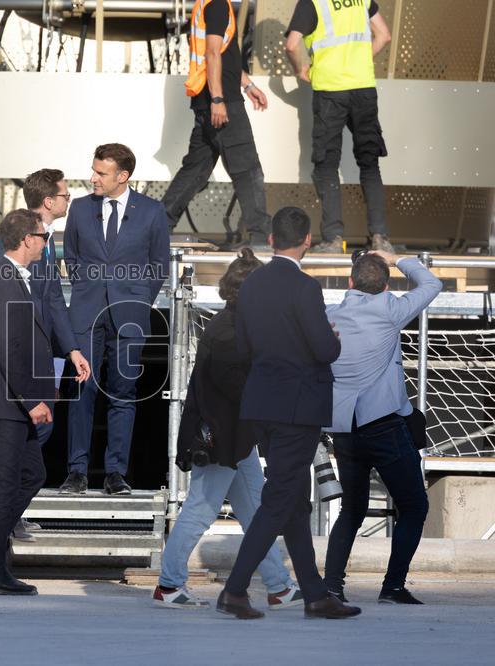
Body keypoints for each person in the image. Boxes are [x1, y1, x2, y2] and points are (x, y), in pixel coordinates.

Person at [217, 206, 359, 620]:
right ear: (308, 241)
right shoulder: (305, 288)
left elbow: (244, 347)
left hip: (262, 403)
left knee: (293, 499)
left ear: (272, 240)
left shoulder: (253, 284)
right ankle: (235, 589)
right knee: (281, 498)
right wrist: (330, 338)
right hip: (298, 407)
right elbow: (325, 350)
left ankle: (315, 594)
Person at [153, 248, 303, 611]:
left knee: (256, 512)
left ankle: (279, 586)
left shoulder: (239, 327)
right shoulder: (229, 336)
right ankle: (169, 584)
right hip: (220, 442)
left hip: (236, 441)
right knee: (200, 512)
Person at [324, 250, 440, 604]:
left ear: (349, 282)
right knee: (414, 505)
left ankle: (332, 586)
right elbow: (432, 283)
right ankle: (392, 586)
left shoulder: (328, 316)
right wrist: (401, 257)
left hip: (343, 429)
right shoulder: (391, 310)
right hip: (383, 424)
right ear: (386, 285)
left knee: (352, 508)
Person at [0, 209, 73, 595]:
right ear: (27, 239)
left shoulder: (17, 280)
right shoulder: (3, 281)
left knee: (31, 475)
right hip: (6, 405)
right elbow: (7, 349)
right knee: (7, 482)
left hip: (16, 402)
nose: (47, 243)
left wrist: (44, 392)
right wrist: (32, 401)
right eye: (43, 237)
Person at [61, 143, 169, 495]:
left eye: (101, 173)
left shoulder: (152, 212)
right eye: (93, 170)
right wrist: (89, 292)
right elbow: (72, 258)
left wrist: (137, 303)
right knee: (83, 388)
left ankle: (115, 474)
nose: (93, 178)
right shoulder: (79, 209)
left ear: (122, 177)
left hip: (129, 317)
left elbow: (159, 266)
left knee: (123, 393)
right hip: (87, 313)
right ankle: (76, 471)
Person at [0, 169, 92, 538]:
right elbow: (5, 312)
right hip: (20, 356)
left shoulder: (47, 244)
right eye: (65, 196)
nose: (68, 201)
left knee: (40, 431)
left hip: (45, 352)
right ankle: (2, 517)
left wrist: (72, 349)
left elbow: (53, 301)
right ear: (49, 201)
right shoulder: (16, 241)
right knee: (25, 436)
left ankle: (9, 513)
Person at [285, 0, 393, 253]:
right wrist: (359, 62)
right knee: (369, 163)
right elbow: (384, 36)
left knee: (326, 165)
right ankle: (380, 237)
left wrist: (301, 69)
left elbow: (291, 44)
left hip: (330, 92)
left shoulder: (312, 3)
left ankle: (333, 239)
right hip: (363, 88)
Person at [162, 0, 271, 250]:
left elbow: (224, 52)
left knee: (195, 172)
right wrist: (219, 99)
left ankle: (160, 226)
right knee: (248, 171)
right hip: (222, 103)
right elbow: (211, 53)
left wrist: (248, 85)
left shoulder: (209, 4)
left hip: (207, 101)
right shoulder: (219, 4)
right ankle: (260, 238)